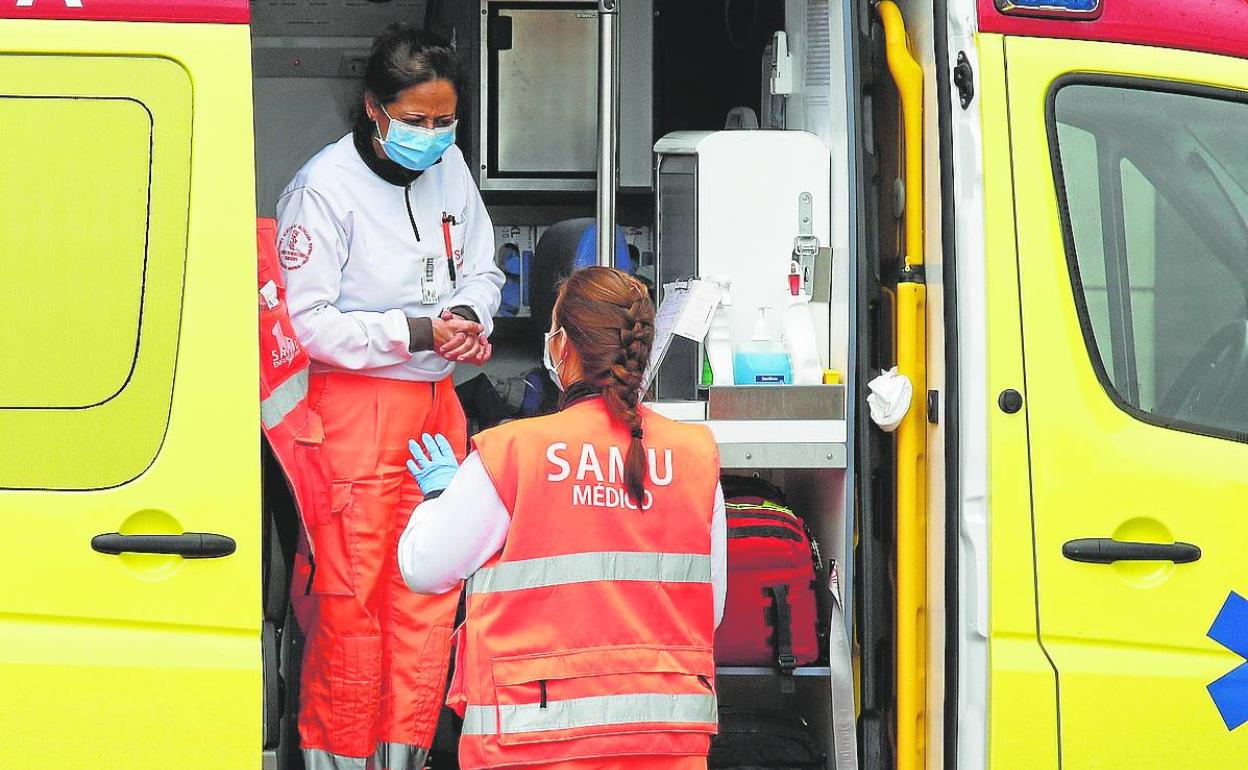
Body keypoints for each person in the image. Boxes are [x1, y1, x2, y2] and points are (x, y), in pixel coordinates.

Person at [276, 24, 504, 770]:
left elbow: (483, 268)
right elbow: (309, 324)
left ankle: (402, 758)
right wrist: (416, 332)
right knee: (351, 606)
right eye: (416, 122)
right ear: (375, 110)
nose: (433, 136)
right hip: (353, 412)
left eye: (445, 121)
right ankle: (338, 760)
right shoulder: (323, 190)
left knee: (429, 593)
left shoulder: (452, 171)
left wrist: (468, 321)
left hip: (436, 406)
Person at [398, 266, 728, 770]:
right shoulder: (695, 455)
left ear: (564, 348)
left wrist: (442, 495)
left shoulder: (515, 452)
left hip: (531, 744)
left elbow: (424, 566)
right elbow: (714, 607)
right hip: (664, 747)